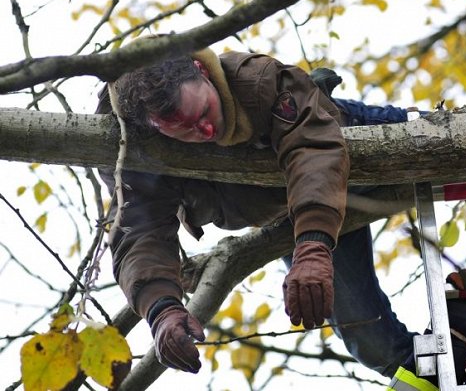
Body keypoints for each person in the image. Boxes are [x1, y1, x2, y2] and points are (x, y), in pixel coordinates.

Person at [95, 38, 422, 375]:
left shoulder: (260, 81)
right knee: (374, 344)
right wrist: (161, 309)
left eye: (204, 112)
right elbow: (139, 231)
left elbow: (313, 152)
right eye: (186, 129)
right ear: (154, 127)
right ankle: (459, 357)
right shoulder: (137, 151)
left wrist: (312, 247)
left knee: (454, 143)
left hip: (345, 144)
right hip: (290, 211)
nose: (206, 130)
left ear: (202, 70)